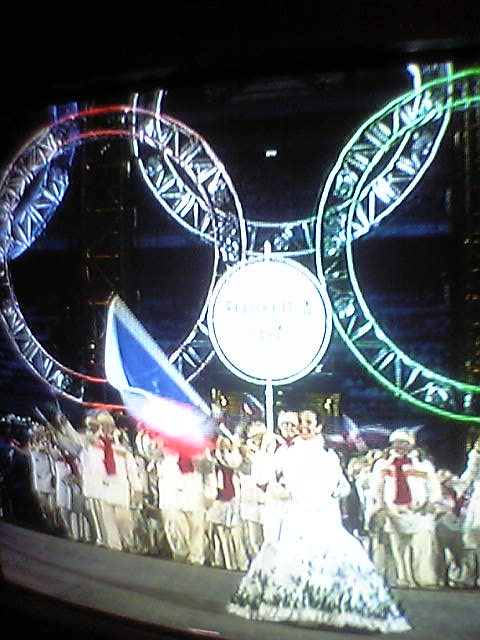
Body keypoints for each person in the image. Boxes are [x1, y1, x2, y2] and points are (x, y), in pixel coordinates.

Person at [228, 413, 411, 633]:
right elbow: (264, 479)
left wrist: (335, 492)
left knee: (332, 558)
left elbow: (343, 486)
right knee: (292, 557)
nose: (303, 427)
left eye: (308, 423)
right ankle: (296, 607)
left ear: (319, 426)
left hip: (325, 515)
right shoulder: (286, 453)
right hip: (297, 515)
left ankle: (330, 608)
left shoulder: (329, 457)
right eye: (300, 423)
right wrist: (280, 489)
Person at [370, 428, 441, 589]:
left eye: (403, 443)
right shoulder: (382, 464)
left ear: (410, 445)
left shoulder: (423, 464)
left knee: (423, 544)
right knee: (398, 548)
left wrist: (431, 502)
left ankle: (425, 578)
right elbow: (376, 488)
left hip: (418, 511)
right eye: (396, 443)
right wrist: (381, 507)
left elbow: (433, 486)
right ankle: (402, 578)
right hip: (393, 511)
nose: (400, 446)